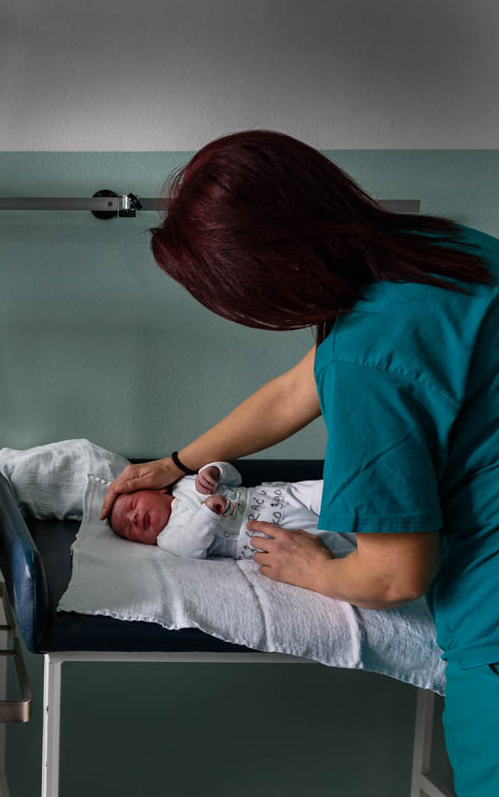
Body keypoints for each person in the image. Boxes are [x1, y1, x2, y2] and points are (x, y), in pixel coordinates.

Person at [99, 130, 499, 795]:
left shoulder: (365, 357)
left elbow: (397, 573)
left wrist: (315, 570)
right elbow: (297, 389)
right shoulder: (434, 249)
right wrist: (173, 462)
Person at [108, 461, 354, 560]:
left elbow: (234, 478)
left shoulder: (184, 484)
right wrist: (207, 513)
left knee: (335, 493)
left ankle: (378, 509)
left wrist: (214, 471)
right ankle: (365, 552)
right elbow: (190, 548)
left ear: (156, 489)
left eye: (132, 506)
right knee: (330, 544)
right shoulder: (168, 538)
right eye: (129, 529)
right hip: (276, 533)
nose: (135, 518)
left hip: (281, 495)